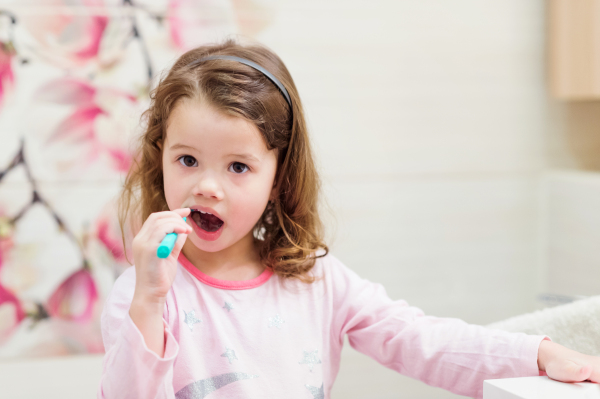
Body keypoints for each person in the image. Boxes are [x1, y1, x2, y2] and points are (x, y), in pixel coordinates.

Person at [97, 38, 600, 399]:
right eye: (187, 160)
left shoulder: (316, 281)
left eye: (238, 167)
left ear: (279, 176)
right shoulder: (142, 296)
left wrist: (537, 356)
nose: (207, 185)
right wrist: (149, 299)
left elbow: (423, 340)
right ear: (158, 157)